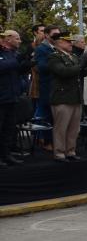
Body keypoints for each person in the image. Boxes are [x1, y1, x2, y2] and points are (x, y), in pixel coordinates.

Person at [48, 33, 87, 162]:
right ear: (59, 42)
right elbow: (63, 72)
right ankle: (60, 153)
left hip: (75, 96)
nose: (70, 43)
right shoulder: (54, 57)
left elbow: (81, 73)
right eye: (67, 41)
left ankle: (70, 151)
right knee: (61, 127)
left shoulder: (73, 56)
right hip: (62, 97)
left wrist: (85, 65)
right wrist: (80, 65)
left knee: (74, 128)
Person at [0, 30, 33, 167]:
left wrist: (28, 63)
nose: (19, 41)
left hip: (13, 97)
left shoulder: (14, 54)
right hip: (1, 98)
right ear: (8, 39)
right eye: (17, 38)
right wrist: (18, 60)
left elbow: (17, 70)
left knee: (9, 129)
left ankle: (6, 155)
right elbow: (3, 67)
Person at [34, 25, 60, 151]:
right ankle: (47, 141)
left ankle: (56, 141)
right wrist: (57, 64)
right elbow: (42, 67)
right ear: (47, 35)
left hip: (59, 87)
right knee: (47, 115)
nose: (57, 37)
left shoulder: (58, 48)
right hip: (47, 86)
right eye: (55, 35)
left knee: (57, 117)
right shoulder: (42, 49)